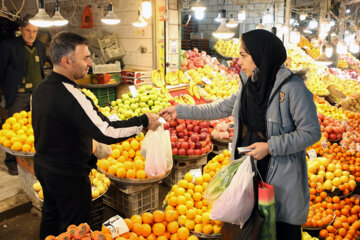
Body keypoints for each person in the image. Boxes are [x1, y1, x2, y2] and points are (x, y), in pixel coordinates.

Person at [160, 29, 321, 240]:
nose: (239, 60)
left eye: (244, 55)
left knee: (278, 232)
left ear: (261, 55)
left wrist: (270, 146)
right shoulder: (249, 84)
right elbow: (219, 108)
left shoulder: (292, 89)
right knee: (249, 232)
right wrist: (179, 111)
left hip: (280, 181)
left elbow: (311, 132)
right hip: (248, 174)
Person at [31, 31, 161, 240]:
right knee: (76, 230)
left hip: (45, 167)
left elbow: (55, 127)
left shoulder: (41, 89)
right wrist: (143, 121)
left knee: (51, 217)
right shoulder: (72, 95)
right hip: (69, 176)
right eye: (85, 58)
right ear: (66, 60)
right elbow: (106, 131)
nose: (90, 63)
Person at [0, 16, 47, 175]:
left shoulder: (40, 46)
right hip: (18, 96)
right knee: (14, 130)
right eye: (28, 30)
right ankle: (11, 161)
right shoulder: (8, 46)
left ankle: (35, 159)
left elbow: (41, 69)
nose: (31, 34)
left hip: (37, 95)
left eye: (34, 31)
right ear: (20, 29)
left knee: (36, 128)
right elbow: (2, 71)